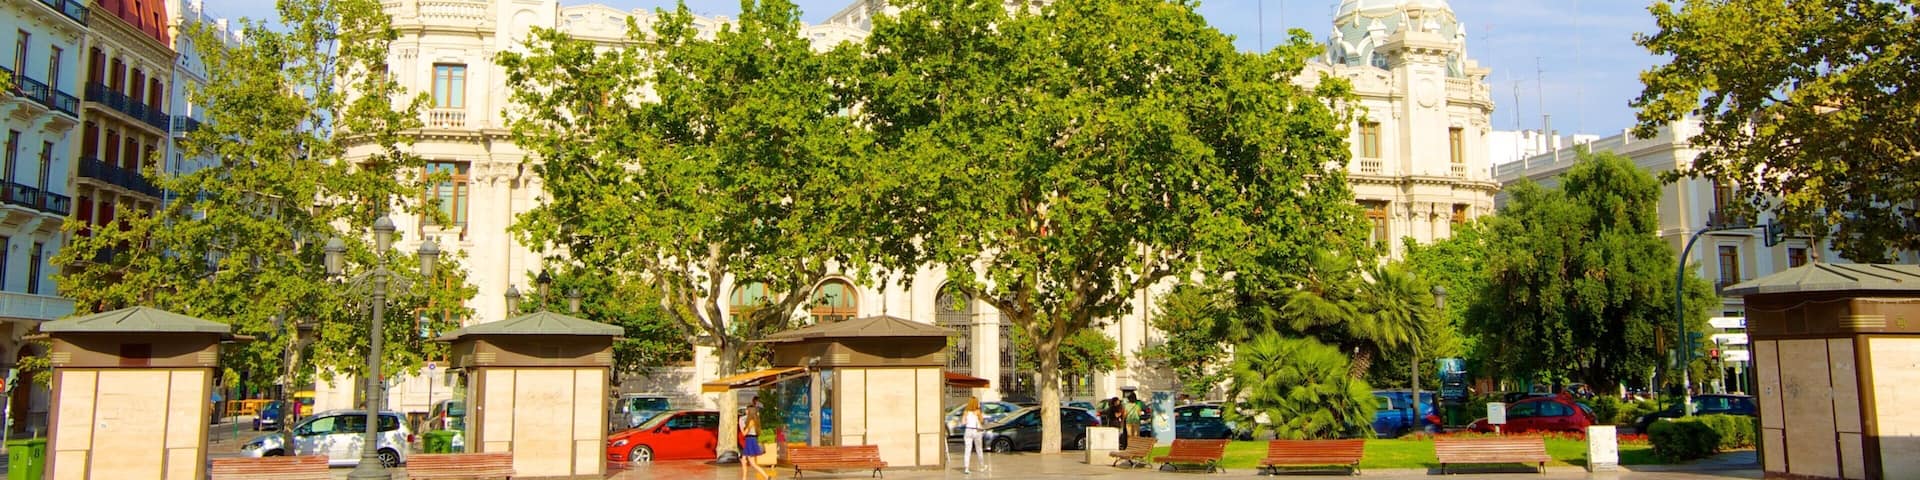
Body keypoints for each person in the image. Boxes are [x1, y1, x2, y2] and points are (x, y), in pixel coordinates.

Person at [740, 397, 772, 480]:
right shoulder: (754, 420)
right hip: (751, 440)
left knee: (750, 462)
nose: (746, 411)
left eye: (747, 410)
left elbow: (744, 433)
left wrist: (741, 425)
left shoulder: (751, 422)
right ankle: (745, 478)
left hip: (750, 441)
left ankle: (766, 476)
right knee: (746, 461)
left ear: (750, 412)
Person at [960, 397, 986, 474]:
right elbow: (982, 421)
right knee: (979, 449)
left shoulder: (966, 411)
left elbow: (963, 422)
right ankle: (982, 466)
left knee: (967, 450)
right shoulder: (978, 411)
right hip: (976, 431)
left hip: (968, 430)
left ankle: (966, 468)